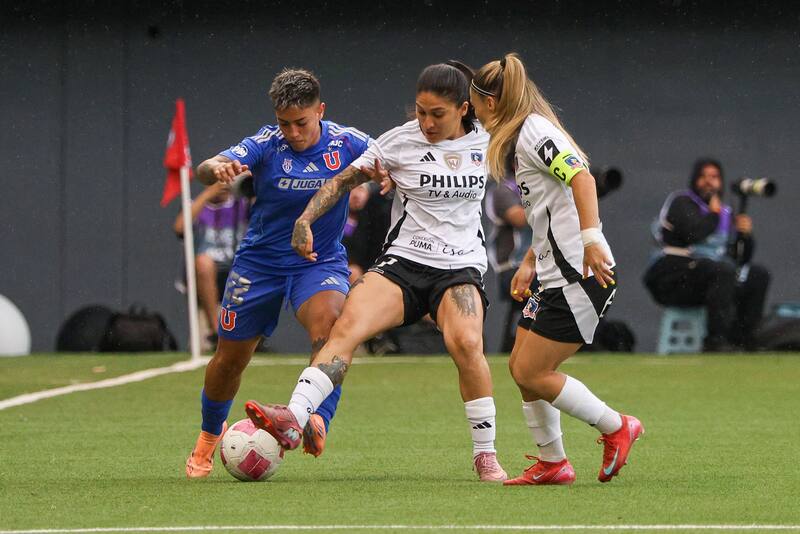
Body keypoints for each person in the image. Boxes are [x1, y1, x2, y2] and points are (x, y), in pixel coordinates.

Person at [244, 61, 509, 482]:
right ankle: (293, 416)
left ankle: (485, 453)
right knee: (345, 328)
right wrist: (305, 220)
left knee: (466, 342)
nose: (426, 122)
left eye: (437, 114)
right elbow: (340, 182)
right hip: (402, 264)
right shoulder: (397, 142)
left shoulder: (491, 142)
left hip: (459, 269)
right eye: (420, 112)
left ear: (463, 108)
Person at [184, 68, 372, 478]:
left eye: (301, 123)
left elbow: (391, 156)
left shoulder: (349, 142)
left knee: (332, 328)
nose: (292, 131)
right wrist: (215, 168)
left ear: (320, 111)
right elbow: (206, 166)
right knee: (229, 359)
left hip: (318, 263)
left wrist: (384, 176)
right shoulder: (266, 144)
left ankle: (315, 417)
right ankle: (208, 437)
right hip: (259, 265)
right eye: (284, 123)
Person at [469, 53, 643, 486]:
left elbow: (581, 178)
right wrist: (529, 261)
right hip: (553, 276)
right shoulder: (521, 136)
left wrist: (590, 239)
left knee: (532, 371)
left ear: (491, 102)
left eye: (473, 103)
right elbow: (548, 209)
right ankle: (553, 463)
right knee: (520, 367)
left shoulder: (533, 132)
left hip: (579, 278)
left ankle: (617, 426)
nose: (471, 112)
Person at [643, 158, 770, 351]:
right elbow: (693, 234)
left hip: (713, 282)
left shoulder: (726, 213)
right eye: (703, 176)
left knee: (757, 275)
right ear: (694, 179)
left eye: (714, 177)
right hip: (674, 279)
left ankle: (744, 340)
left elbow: (739, 258)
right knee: (721, 271)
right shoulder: (682, 202)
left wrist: (746, 235)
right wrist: (713, 215)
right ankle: (715, 341)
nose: (709, 181)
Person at [173, 181, 249, 347]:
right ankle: (216, 331)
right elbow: (179, 228)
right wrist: (207, 194)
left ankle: (251, 331)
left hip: (235, 270)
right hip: (202, 273)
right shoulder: (196, 205)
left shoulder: (242, 204)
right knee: (203, 262)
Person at [486, 175, 534, 352]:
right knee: (547, 290)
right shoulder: (504, 190)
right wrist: (555, 203)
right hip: (513, 268)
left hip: (542, 265)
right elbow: (519, 218)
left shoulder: (539, 185)